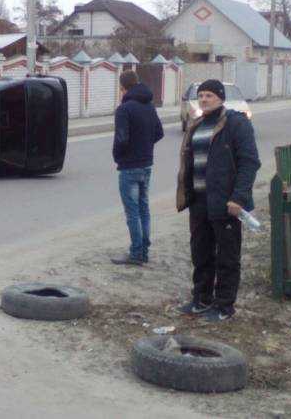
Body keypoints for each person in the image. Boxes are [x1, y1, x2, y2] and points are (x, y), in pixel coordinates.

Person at [176, 79, 261, 322]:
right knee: (201, 253)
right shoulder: (197, 124)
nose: (204, 99)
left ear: (221, 98)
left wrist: (239, 198)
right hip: (199, 201)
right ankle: (201, 299)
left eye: (209, 95)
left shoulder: (236, 123)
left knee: (227, 257)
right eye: (201, 95)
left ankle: (224, 306)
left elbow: (249, 162)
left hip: (226, 203)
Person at [110, 70, 164, 266]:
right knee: (143, 209)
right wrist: (145, 146)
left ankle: (136, 253)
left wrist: (118, 156)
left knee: (132, 212)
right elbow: (159, 132)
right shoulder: (149, 105)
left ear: (122, 88)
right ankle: (144, 251)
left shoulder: (124, 109)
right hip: (146, 164)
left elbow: (121, 139)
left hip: (129, 166)